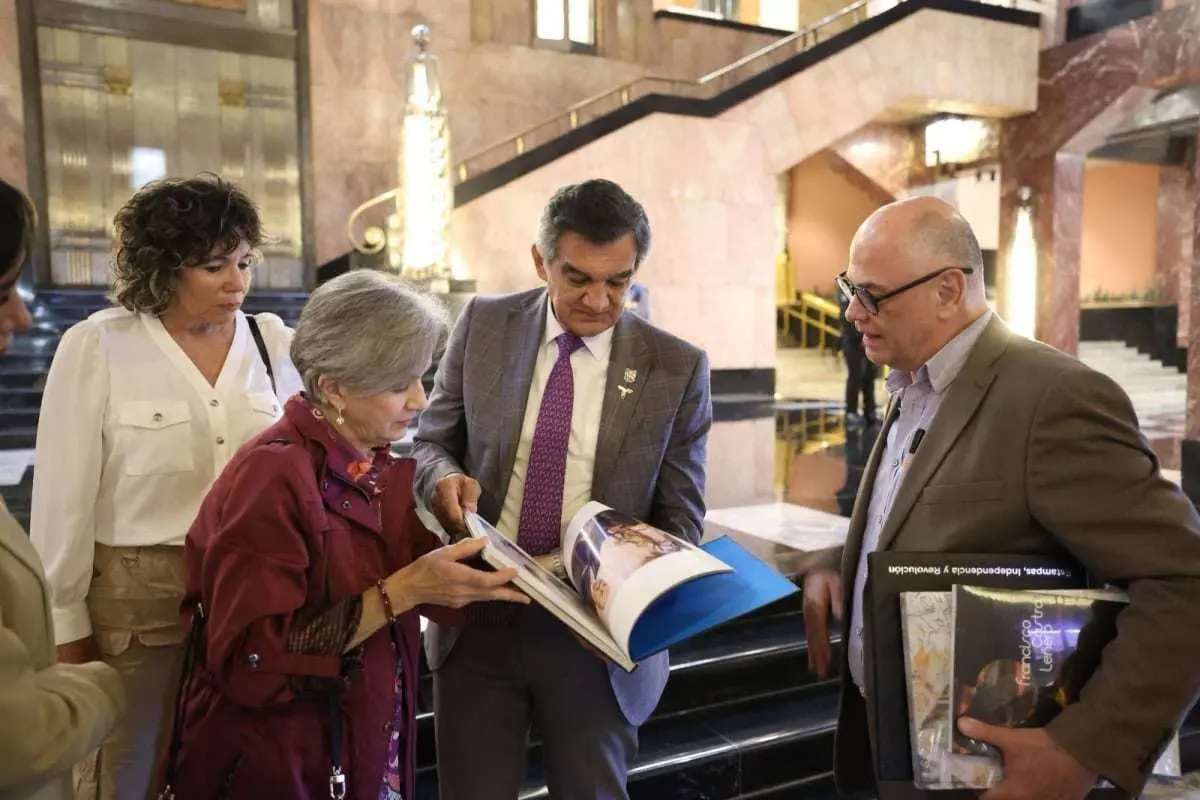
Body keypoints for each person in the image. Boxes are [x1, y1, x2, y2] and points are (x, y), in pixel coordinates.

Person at [803, 196, 1200, 800]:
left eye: (874, 295)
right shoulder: (912, 380)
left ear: (947, 291)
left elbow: (1185, 581)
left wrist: (1081, 749)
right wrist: (843, 567)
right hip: (890, 751)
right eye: (849, 288)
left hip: (992, 772)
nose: (853, 311)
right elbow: (921, 516)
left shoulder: (1053, 399)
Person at [162, 270, 528, 800]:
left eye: (421, 379)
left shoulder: (367, 463)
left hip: (360, 737)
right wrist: (403, 592)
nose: (420, 400)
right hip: (285, 760)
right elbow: (251, 656)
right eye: (399, 385)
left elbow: (419, 576)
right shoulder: (272, 476)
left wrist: (508, 557)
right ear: (333, 387)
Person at [413, 178, 712, 799]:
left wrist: (622, 584)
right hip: (480, 614)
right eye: (578, 278)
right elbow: (430, 442)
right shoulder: (485, 324)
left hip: (594, 636)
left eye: (618, 281)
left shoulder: (675, 366)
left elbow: (681, 520)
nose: (599, 300)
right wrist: (444, 482)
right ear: (540, 260)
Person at [29, 175, 303, 800]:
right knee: (125, 772)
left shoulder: (272, 342)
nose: (237, 282)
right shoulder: (99, 345)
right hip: (136, 603)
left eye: (244, 262)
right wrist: (65, 631)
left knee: (231, 770)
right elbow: (62, 502)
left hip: (252, 598)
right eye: (214, 266)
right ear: (164, 268)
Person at [0, 179, 127, 800]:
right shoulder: (98, 344)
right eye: (3, 291)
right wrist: (101, 684)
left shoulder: (265, 341)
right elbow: (16, 733)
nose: (22, 316)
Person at [839, 289, 877, 426]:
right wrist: (860, 337)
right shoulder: (846, 290)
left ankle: (869, 410)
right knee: (854, 377)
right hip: (852, 343)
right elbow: (845, 318)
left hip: (868, 339)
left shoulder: (867, 288)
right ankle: (851, 411)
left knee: (869, 376)